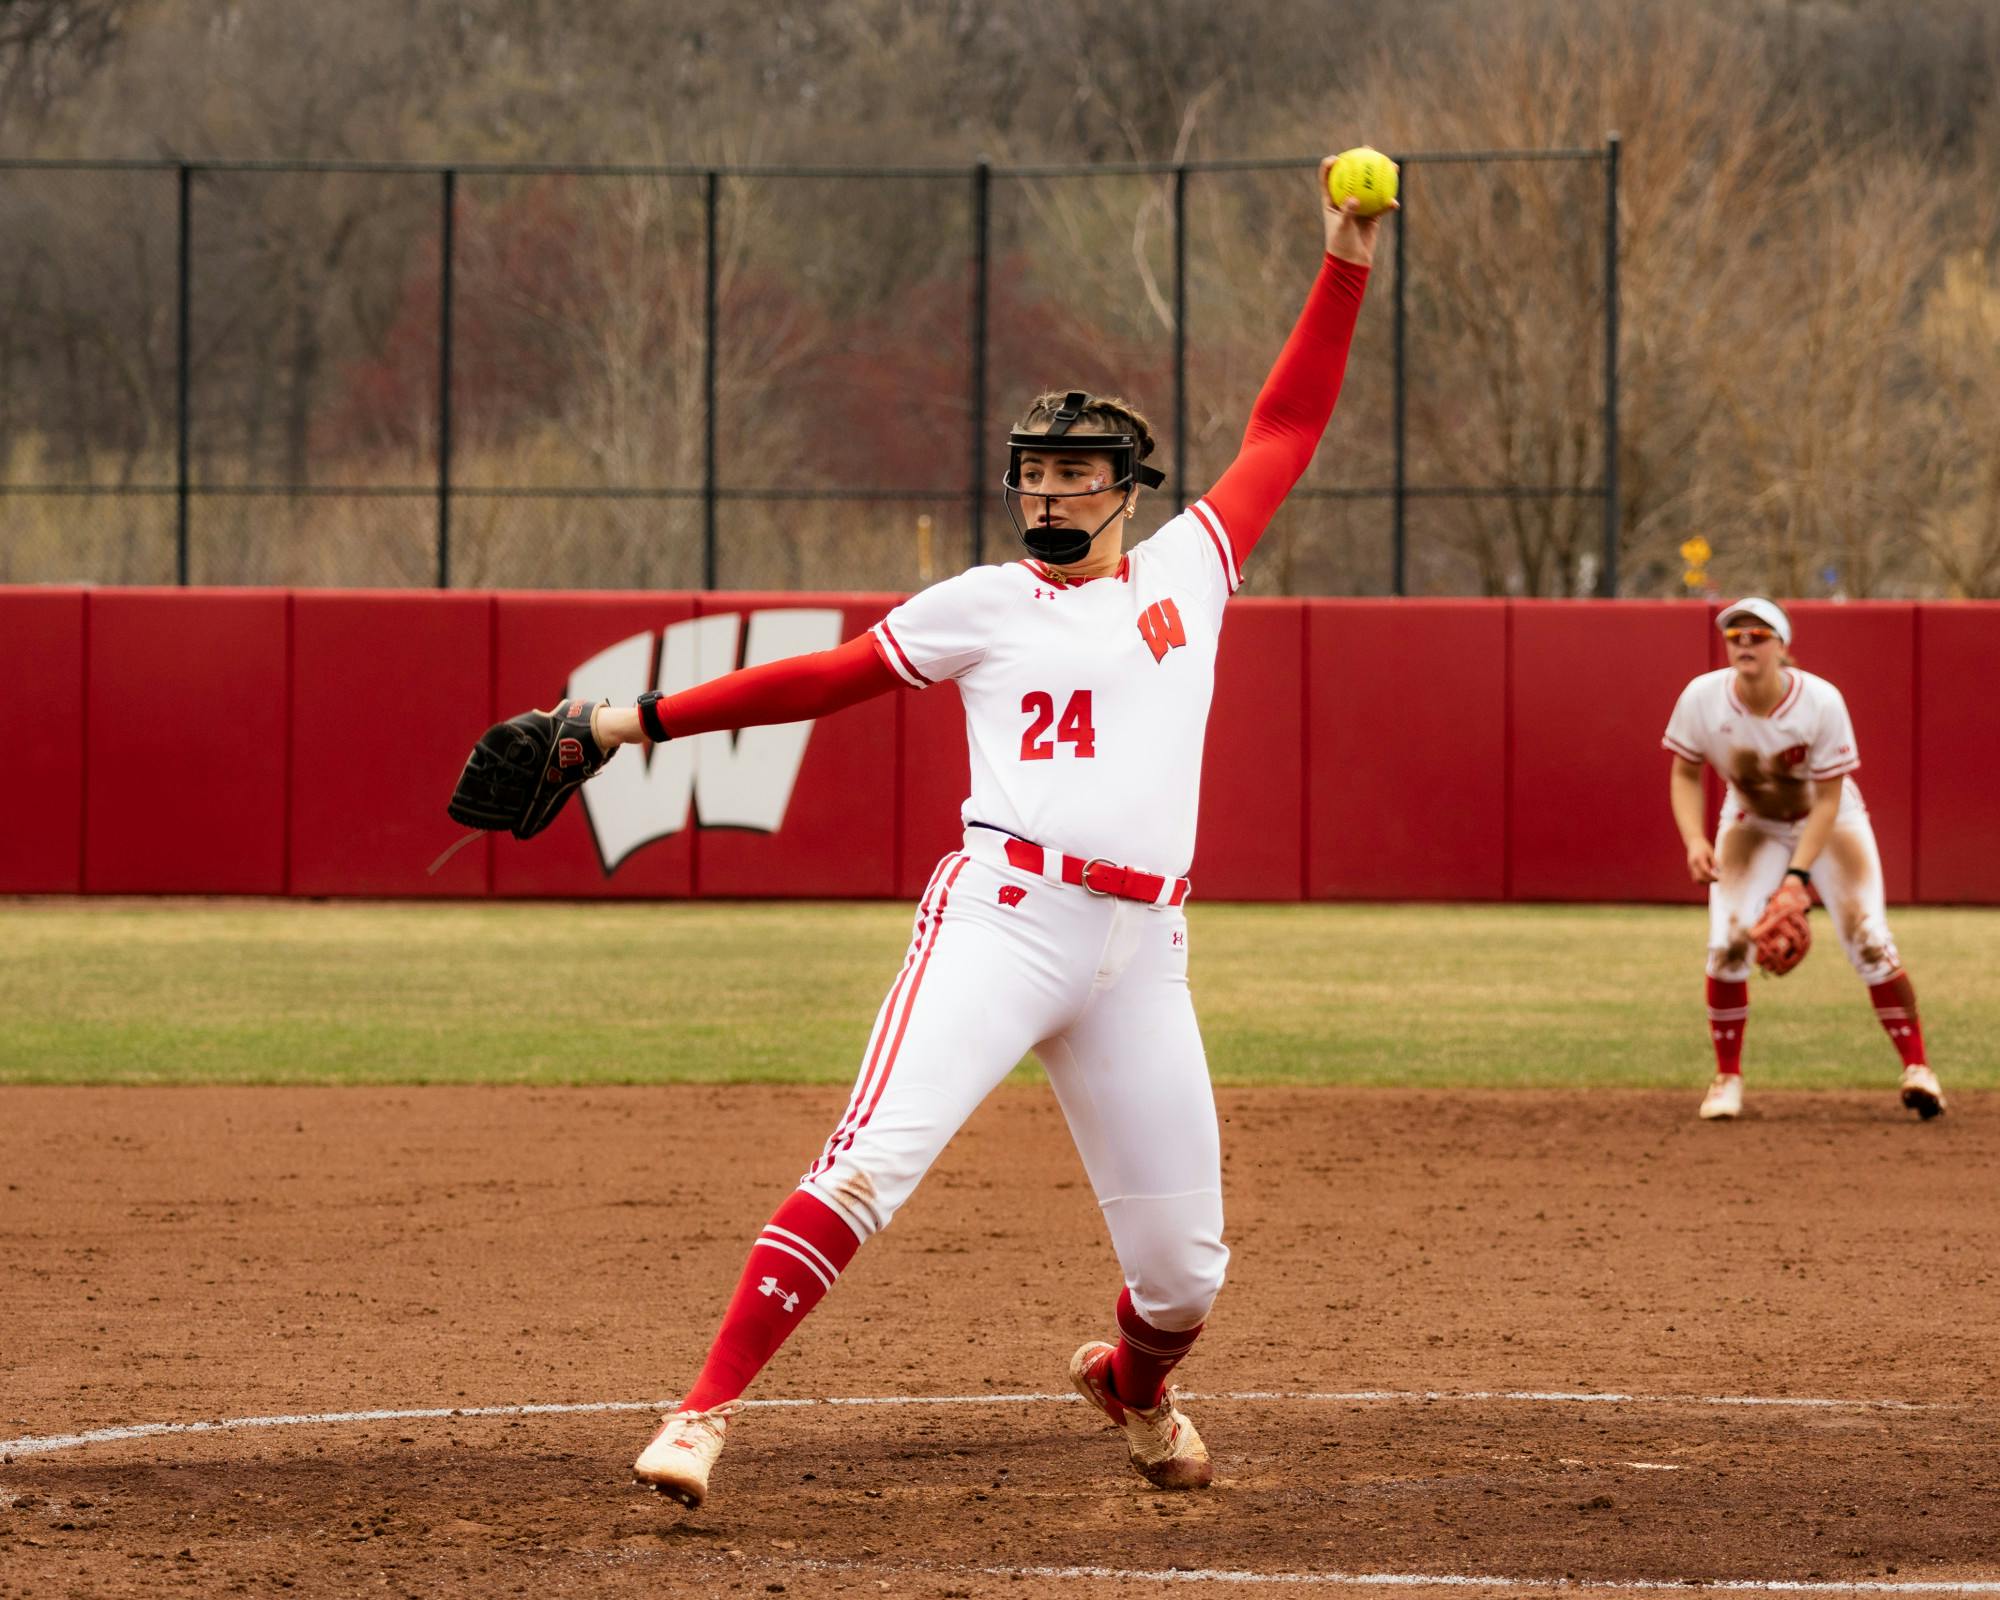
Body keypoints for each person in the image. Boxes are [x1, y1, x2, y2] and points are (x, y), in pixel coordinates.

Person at [562, 158, 1390, 1507]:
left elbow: (1286, 426)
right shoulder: (982, 603)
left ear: (1128, 490)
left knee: (1184, 1277)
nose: (1050, 496)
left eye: (1076, 476)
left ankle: (1132, 1385)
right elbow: (821, 679)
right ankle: (700, 1417)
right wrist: (627, 721)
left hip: (1143, 944)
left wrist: (1343, 259)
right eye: (1035, 475)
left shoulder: (1191, 565)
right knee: (871, 1163)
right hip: (1006, 918)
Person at [1662, 597, 1946, 1123]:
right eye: (1735, 636)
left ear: (1782, 646)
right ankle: (1727, 1078)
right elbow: (1684, 771)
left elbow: (1829, 800)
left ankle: (1919, 1069)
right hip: (1751, 821)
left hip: (1831, 821)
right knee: (1727, 943)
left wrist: (1796, 878)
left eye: (1758, 635)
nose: (1745, 643)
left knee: (1869, 940)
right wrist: (1694, 840)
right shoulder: (1702, 698)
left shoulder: (1820, 701)